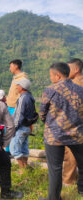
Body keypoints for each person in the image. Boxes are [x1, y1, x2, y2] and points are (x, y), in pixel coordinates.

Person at [39, 62, 83, 200]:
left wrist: (52, 124)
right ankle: (81, 190)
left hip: (54, 136)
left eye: (51, 75)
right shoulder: (80, 90)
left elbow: (42, 113)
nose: (51, 77)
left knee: (55, 168)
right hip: (77, 135)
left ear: (57, 75)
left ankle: (54, 198)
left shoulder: (50, 90)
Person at [63, 58, 83, 186]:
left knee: (71, 155)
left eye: (68, 68)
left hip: (74, 125)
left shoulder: (75, 86)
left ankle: (68, 181)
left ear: (76, 69)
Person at [9, 78, 36, 174]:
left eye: (18, 85)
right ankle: (25, 167)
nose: (16, 87)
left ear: (22, 87)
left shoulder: (23, 98)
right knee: (24, 149)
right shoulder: (30, 97)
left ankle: (22, 170)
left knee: (14, 149)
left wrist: (14, 128)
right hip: (27, 127)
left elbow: (19, 115)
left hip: (21, 127)